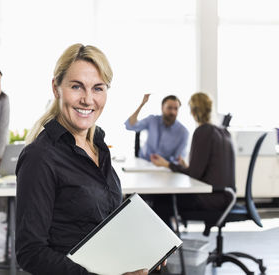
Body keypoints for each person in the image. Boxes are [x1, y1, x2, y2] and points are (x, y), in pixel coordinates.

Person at [15, 44, 158, 275]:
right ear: (56, 88)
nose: (88, 99)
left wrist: (145, 250)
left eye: (98, 88)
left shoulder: (99, 145)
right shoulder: (40, 156)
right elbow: (30, 252)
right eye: (76, 87)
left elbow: (103, 223)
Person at [150, 92, 236, 225]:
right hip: (226, 196)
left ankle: (171, 245)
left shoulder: (203, 131)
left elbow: (194, 174)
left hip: (210, 199)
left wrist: (167, 164)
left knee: (161, 201)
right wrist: (185, 166)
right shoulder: (223, 132)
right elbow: (204, 170)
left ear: (193, 111)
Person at [125, 94, 189, 162]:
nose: (172, 112)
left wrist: (164, 164)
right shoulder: (152, 120)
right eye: (169, 108)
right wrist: (142, 104)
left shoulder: (183, 132)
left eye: (176, 109)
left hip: (165, 167)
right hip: (144, 161)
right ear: (162, 108)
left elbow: (178, 159)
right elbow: (130, 126)